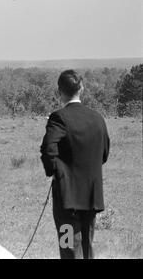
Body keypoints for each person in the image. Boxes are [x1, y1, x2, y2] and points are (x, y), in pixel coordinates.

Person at [40, 70, 110, 259]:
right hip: (91, 196)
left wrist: (56, 172)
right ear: (82, 88)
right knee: (87, 245)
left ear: (59, 91)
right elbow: (104, 154)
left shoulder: (58, 118)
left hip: (66, 200)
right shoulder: (98, 118)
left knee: (68, 246)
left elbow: (48, 149)